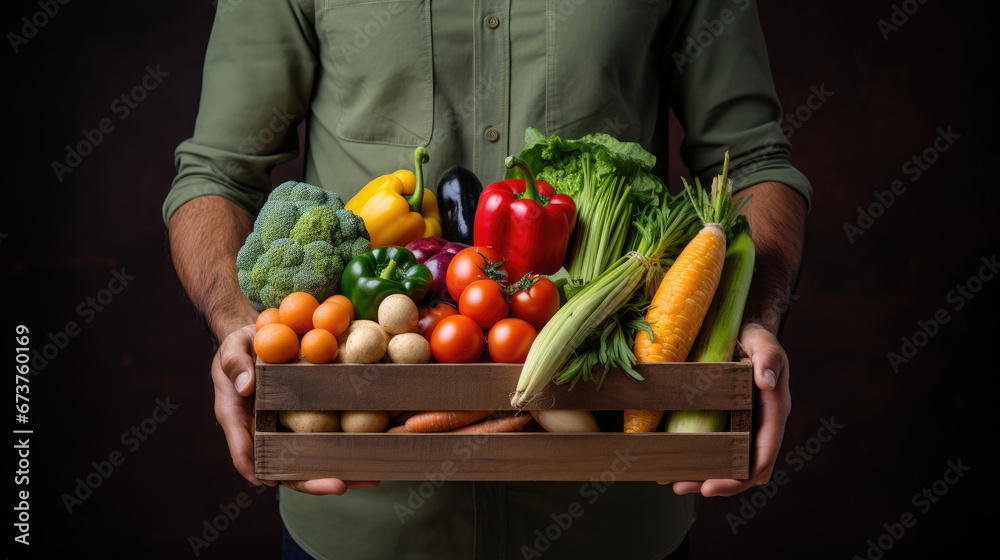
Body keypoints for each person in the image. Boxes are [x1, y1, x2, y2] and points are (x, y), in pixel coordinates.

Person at [164, 1, 810, 558]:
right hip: (362, 516)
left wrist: (750, 317)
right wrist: (237, 329)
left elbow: (753, 160)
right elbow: (217, 174)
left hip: (614, 513)